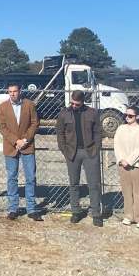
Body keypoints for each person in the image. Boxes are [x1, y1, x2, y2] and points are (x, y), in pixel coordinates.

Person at [55, 90, 104, 226]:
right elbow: (60, 133)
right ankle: (76, 211)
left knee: (94, 183)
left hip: (90, 152)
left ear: (83, 102)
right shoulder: (64, 113)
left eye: (77, 104)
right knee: (74, 183)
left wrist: (96, 148)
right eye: (72, 103)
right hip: (72, 153)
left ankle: (96, 213)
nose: (74, 106)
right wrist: (64, 150)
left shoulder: (92, 113)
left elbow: (98, 132)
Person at [0, 83, 40, 221]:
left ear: (20, 91)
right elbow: (2, 127)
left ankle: (31, 209)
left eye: (15, 91)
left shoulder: (29, 105)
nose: (12, 94)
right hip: (11, 146)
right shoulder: (2, 107)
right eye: (10, 92)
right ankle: (13, 209)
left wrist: (25, 139)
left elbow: (35, 123)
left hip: (27, 146)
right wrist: (16, 141)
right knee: (12, 178)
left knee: (30, 178)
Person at [114, 105, 139, 230]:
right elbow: (117, 145)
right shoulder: (121, 128)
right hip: (123, 165)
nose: (127, 117)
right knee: (127, 192)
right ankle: (129, 216)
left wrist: (129, 161)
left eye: (130, 115)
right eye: (126, 115)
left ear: (137, 117)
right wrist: (121, 160)